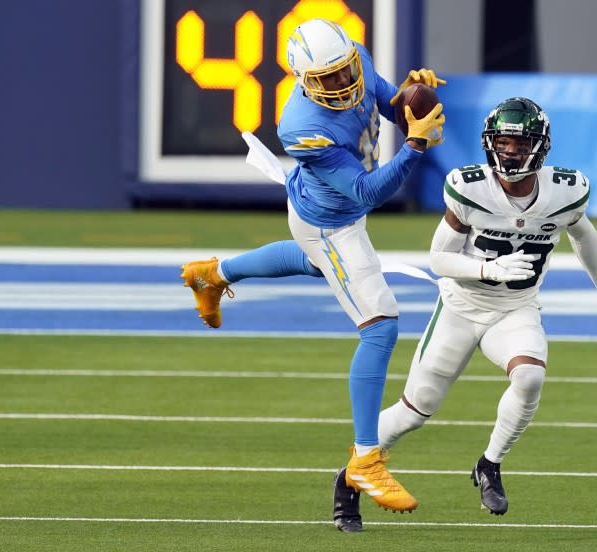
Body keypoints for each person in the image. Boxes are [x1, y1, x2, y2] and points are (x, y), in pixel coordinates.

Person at [179, 18, 446, 520]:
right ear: (303, 80)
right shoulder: (300, 126)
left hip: (322, 214)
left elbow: (388, 102)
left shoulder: (356, 58)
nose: (343, 84)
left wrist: (412, 99)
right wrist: (414, 146)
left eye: (345, 71)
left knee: (315, 263)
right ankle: (366, 458)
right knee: (380, 326)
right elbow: (368, 192)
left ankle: (214, 274)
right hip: (331, 221)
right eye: (327, 80)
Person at [332, 97, 597, 529]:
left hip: (515, 308)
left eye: (518, 143)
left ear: (539, 147)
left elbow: (583, 235)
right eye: (503, 143)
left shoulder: (565, 191)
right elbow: (438, 258)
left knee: (530, 376)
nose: (508, 152)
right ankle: (350, 476)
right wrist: (488, 268)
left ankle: (489, 464)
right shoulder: (471, 188)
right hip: (460, 306)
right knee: (413, 413)